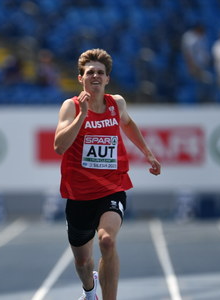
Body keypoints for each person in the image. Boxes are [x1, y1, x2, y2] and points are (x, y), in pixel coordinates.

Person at [54, 48, 161, 300]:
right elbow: (59, 146)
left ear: (107, 79)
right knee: (82, 261)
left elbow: (128, 123)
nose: (95, 76)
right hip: (79, 194)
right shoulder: (70, 107)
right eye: (90, 72)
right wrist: (82, 116)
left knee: (107, 241)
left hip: (112, 187)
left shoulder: (117, 103)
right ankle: (89, 290)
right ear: (81, 78)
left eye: (100, 73)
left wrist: (147, 152)